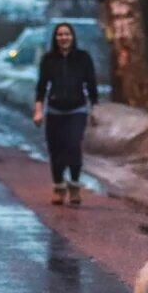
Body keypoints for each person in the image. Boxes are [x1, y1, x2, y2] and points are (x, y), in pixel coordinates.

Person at [33, 22, 99, 205]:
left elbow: (91, 84)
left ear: (73, 37)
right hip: (54, 110)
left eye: (67, 34)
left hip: (77, 109)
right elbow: (41, 87)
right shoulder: (48, 59)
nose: (64, 38)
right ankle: (59, 186)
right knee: (56, 150)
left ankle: (75, 185)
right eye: (60, 35)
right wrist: (38, 110)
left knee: (73, 145)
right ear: (55, 38)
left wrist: (94, 108)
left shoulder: (83, 58)